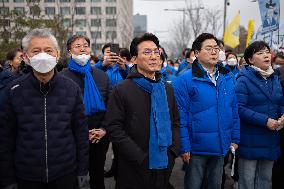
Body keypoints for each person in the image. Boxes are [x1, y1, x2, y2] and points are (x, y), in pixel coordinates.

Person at [0, 28, 89, 189]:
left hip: (65, 173)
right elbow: (5, 137)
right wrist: (7, 177)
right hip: (26, 176)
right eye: (36, 51)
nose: (43, 55)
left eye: (48, 50)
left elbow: (81, 132)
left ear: (57, 54)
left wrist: (83, 169)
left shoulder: (71, 88)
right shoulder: (13, 90)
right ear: (26, 57)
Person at [104, 33, 180, 189]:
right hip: (134, 166)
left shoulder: (167, 88)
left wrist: (173, 152)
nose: (153, 56)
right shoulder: (122, 89)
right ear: (134, 59)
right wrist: (139, 157)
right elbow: (114, 128)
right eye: (147, 52)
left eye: (156, 52)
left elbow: (176, 122)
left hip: (164, 163)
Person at [173, 33, 240, 189]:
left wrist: (235, 138)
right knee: (194, 185)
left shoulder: (227, 78)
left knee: (215, 184)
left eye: (216, 48)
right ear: (196, 53)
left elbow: (233, 109)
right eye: (209, 48)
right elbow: (180, 116)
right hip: (196, 147)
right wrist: (184, 145)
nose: (214, 52)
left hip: (220, 145)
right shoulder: (184, 80)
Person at [61, 35, 111, 189]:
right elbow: (58, 111)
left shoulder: (102, 76)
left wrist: (103, 129)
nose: (82, 48)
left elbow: (111, 106)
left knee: (97, 178)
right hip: (72, 138)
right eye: (77, 46)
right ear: (69, 52)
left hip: (98, 137)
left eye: (85, 45)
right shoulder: (62, 77)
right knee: (72, 179)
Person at [235, 41, 284, 189]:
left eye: (267, 52)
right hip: (250, 138)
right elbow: (240, 108)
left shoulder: (274, 78)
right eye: (260, 53)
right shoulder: (243, 79)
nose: (265, 55)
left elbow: (280, 101)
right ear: (250, 59)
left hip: (270, 138)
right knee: (247, 180)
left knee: (265, 180)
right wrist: (265, 121)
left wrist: (282, 115)